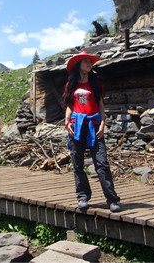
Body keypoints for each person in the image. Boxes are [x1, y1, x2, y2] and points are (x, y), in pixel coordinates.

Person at [61, 51, 121, 213]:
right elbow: (70, 105)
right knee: (77, 163)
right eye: (86, 61)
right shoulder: (71, 85)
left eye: (90, 61)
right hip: (76, 126)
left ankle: (112, 199)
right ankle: (82, 196)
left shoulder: (95, 83)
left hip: (94, 126)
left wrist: (103, 123)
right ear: (78, 65)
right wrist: (67, 121)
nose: (89, 64)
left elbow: (101, 105)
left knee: (102, 163)